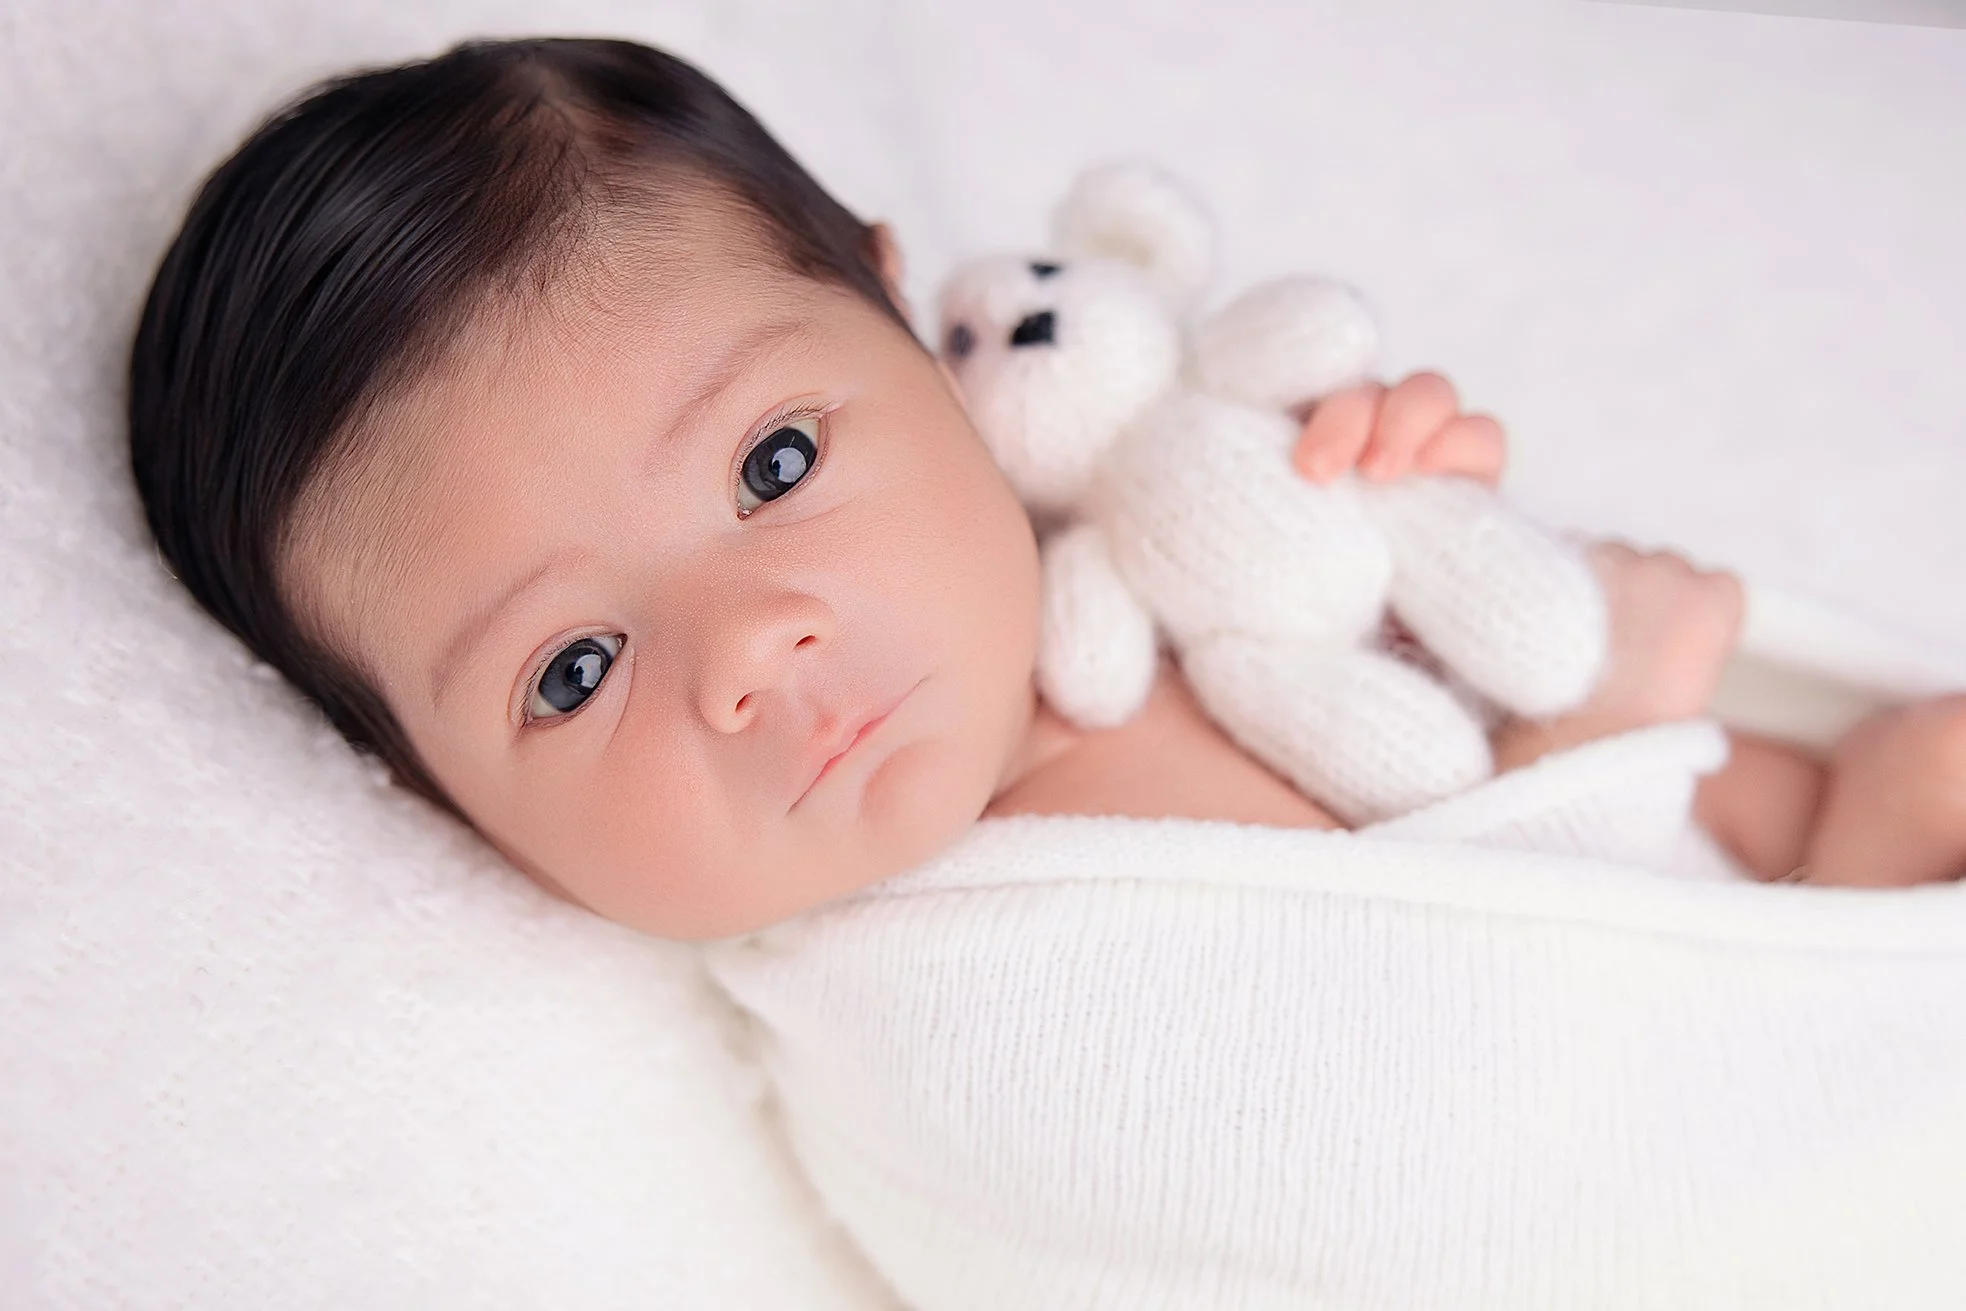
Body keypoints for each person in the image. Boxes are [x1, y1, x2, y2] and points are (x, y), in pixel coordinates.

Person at [128, 37, 1966, 942]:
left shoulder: (1119, 536)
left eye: (774, 463)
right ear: (430, 802)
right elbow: (1509, 1155)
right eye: (571, 669)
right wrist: (1604, 739)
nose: (750, 647)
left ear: (917, 323)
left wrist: (1437, 554)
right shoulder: (1007, 975)